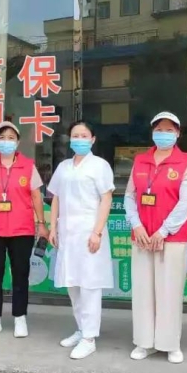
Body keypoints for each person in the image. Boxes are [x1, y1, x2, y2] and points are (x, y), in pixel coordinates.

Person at [124, 112, 187, 364]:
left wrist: (164, 230)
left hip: (172, 238)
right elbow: (130, 196)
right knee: (143, 291)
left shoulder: (186, 162)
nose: (163, 134)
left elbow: (186, 202)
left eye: (169, 130)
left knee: (169, 291)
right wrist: (137, 225)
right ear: (152, 132)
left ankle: (170, 344)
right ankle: (144, 342)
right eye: (159, 129)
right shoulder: (140, 160)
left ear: (177, 133)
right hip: (142, 237)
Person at [0, 121, 49, 339]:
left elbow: (36, 196)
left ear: (18, 142)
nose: (6, 141)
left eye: (11, 138)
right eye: (2, 138)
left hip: (21, 230)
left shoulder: (28, 166)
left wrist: (41, 223)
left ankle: (20, 317)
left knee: (20, 275)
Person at [47, 121, 115, 360]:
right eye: (75, 135)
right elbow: (55, 197)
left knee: (89, 285)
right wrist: (53, 226)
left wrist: (97, 231)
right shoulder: (64, 167)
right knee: (72, 284)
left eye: (84, 136)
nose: (79, 139)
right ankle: (81, 328)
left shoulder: (99, 165)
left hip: (89, 232)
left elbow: (106, 198)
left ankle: (89, 338)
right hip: (68, 233)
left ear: (93, 139)